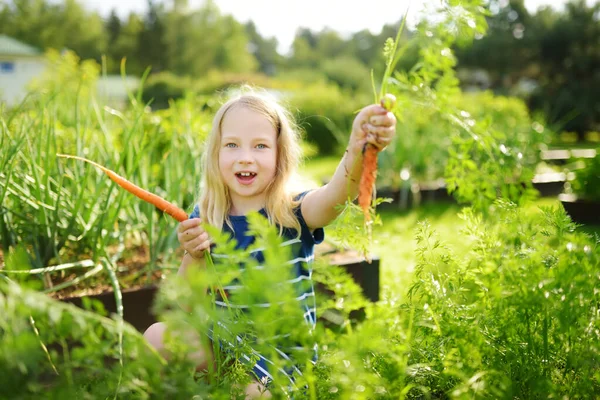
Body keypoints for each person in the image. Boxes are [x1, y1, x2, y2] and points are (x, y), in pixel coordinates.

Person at [143, 88, 396, 398]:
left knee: (249, 393)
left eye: (260, 146)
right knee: (157, 338)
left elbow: (334, 197)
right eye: (232, 145)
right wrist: (192, 255)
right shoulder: (208, 214)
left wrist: (358, 147)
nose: (245, 157)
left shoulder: (293, 211)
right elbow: (183, 303)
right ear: (216, 154)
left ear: (280, 154)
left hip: (280, 359)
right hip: (225, 347)